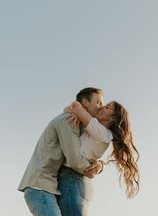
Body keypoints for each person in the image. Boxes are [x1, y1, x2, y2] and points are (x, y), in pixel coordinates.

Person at [18, 87, 104, 216]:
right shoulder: (68, 120)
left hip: (47, 187)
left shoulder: (76, 121)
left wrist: (100, 164)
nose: (101, 107)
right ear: (85, 102)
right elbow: (75, 160)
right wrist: (92, 169)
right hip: (39, 186)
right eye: (98, 102)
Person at [63, 99, 140, 199]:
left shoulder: (103, 133)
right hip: (74, 176)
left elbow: (75, 107)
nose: (101, 107)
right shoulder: (99, 131)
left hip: (72, 177)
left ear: (112, 119)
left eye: (107, 107)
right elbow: (65, 110)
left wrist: (76, 107)